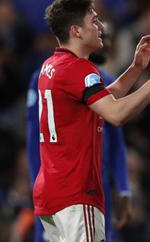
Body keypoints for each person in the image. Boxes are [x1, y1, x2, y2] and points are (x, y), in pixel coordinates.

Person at [34, 0, 150, 241]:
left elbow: (101, 99)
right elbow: (116, 114)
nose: (101, 26)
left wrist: (136, 69)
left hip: (52, 193)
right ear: (76, 31)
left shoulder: (52, 66)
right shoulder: (80, 69)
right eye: (94, 21)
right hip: (76, 194)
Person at [26, 21, 131, 242]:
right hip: (74, 186)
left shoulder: (51, 72)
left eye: (108, 38)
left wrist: (122, 186)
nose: (107, 43)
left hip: (92, 183)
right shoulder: (47, 77)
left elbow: (116, 140)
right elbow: (34, 135)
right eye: (103, 37)